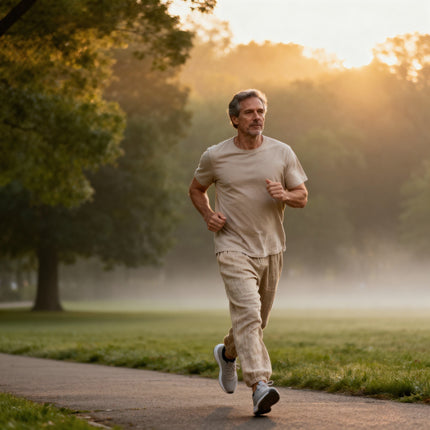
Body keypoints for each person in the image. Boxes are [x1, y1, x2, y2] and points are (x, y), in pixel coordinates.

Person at [188, 89, 308, 416]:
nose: (257, 117)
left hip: (271, 248)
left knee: (256, 320)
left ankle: (228, 354)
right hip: (232, 245)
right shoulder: (215, 156)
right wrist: (208, 215)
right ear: (234, 119)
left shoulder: (282, 152)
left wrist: (284, 193)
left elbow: (302, 196)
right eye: (249, 112)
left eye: (260, 111)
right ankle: (259, 386)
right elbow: (196, 189)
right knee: (249, 314)